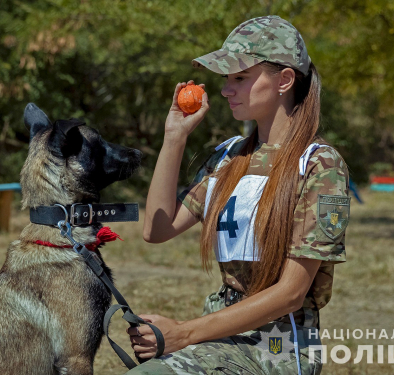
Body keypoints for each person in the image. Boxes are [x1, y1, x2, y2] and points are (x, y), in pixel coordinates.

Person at [125, 15, 350, 375]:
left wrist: (182, 334)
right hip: (219, 330)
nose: (226, 90)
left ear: (285, 80)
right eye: (227, 79)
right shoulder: (230, 157)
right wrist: (174, 138)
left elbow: (291, 293)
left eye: (241, 78)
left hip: (278, 346)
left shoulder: (319, 166)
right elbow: (158, 229)